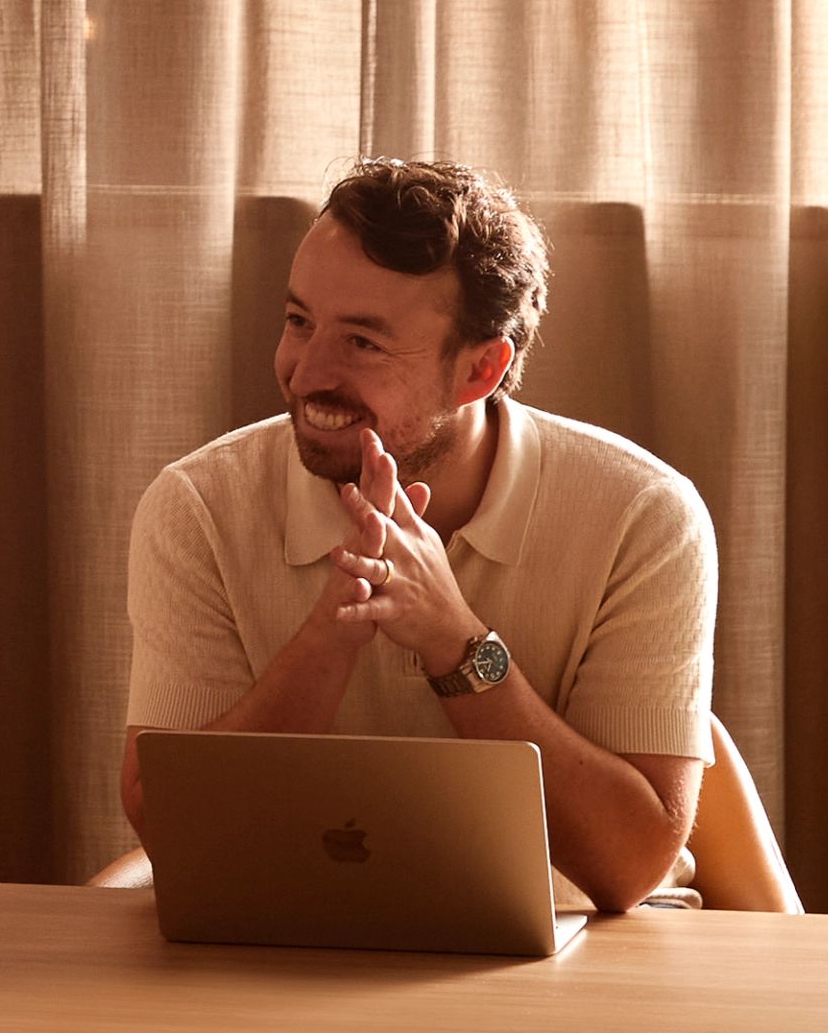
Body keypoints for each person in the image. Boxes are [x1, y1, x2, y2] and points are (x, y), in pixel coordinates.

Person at [119, 157, 712, 914]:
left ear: (481, 370)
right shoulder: (198, 507)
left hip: (579, 954)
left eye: (363, 342)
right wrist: (330, 637)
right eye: (300, 322)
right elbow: (167, 827)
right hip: (286, 941)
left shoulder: (645, 516)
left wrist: (456, 645)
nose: (306, 373)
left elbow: (629, 868)